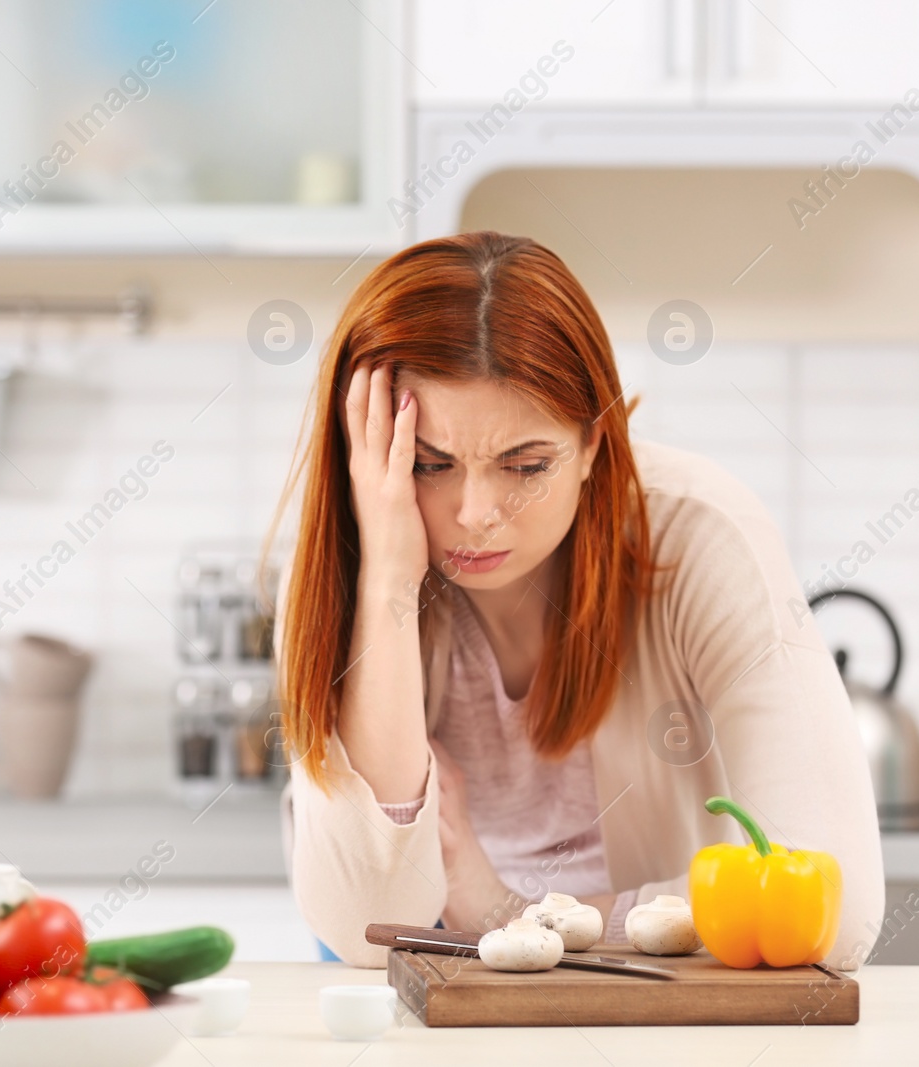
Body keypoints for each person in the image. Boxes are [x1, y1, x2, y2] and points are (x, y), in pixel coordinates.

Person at [265, 231, 883, 969]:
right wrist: (389, 581)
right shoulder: (350, 561)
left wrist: (502, 910)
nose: (475, 512)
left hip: (653, 981)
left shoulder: (703, 534)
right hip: (431, 972)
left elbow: (835, 914)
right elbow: (370, 922)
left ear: (595, 440)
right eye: (429, 464)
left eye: (524, 465)